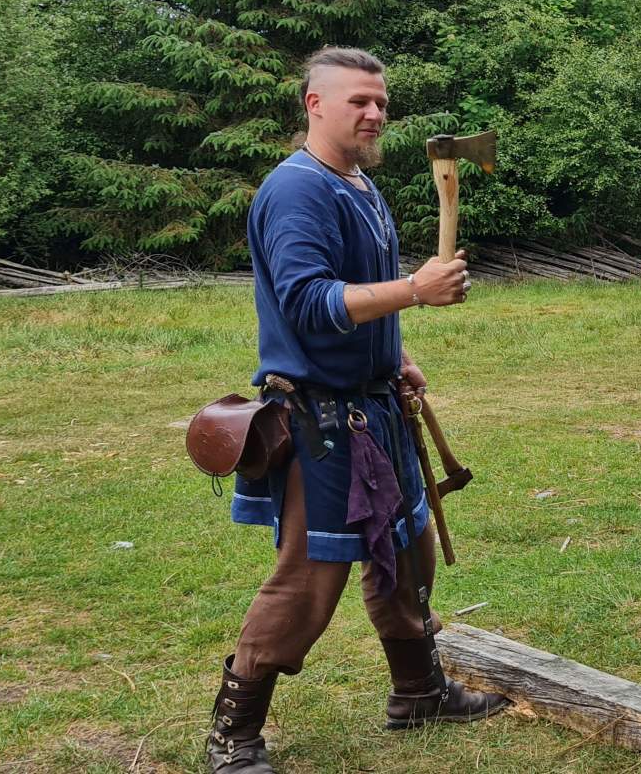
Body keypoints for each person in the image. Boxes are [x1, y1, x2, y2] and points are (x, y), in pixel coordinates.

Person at [205, 47, 507, 774]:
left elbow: (357, 291)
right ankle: (233, 734)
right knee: (310, 579)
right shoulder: (297, 191)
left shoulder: (360, 185)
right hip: (321, 422)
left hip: (375, 405)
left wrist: (392, 354)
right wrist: (414, 290)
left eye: (381, 103)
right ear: (314, 105)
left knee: (408, 550)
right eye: (357, 102)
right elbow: (308, 302)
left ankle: (419, 692)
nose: (373, 114)